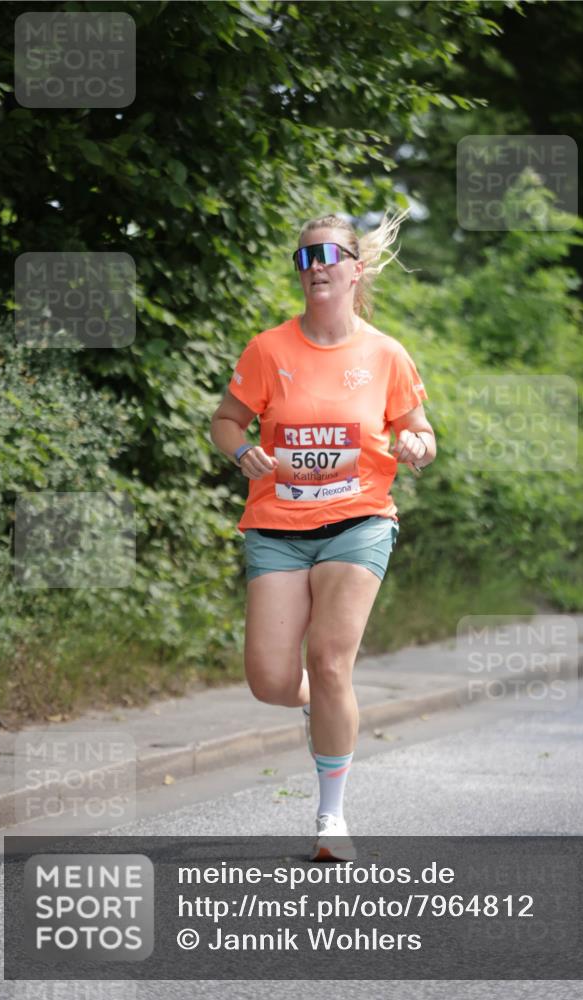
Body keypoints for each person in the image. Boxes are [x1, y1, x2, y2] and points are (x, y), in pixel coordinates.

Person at [209, 209, 436, 861]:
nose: (315, 268)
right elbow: (226, 421)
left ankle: (330, 817)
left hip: (359, 521)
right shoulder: (268, 350)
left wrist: (417, 445)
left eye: (328, 256)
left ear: (354, 269)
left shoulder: (385, 354)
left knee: (331, 660)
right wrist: (241, 451)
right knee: (270, 680)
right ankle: (318, 702)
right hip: (278, 527)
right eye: (305, 258)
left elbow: (421, 432)